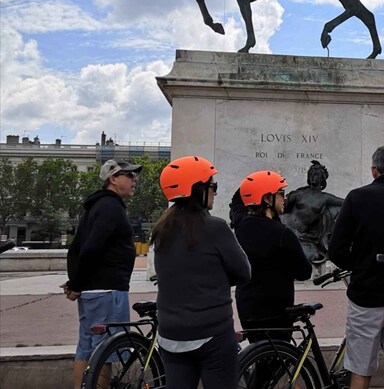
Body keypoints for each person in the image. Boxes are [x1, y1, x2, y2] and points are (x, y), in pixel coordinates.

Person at [151, 156, 251, 389]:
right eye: (212, 186)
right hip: (211, 333)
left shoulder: (161, 229)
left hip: (170, 335)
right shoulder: (215, 226)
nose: (215, 192)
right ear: (198, 189)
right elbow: (244, 272)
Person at [328, 145, 384, 389]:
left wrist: (358, 267)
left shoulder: (357, 197)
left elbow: (335, 248)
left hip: (366, 296)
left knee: (360, 370)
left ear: (373, 170)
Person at [64, 159, 142, 389]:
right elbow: (91, 248)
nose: (134, 180)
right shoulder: (110, 207)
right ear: (113, 179)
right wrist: (76, 283)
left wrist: (76, 282)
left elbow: (76, 248)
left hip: (93, 290)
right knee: (106, 351)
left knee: (85, 349)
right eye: (129, 176)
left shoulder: (95, 207)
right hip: (108, 290)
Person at [230, 170, 312, 342]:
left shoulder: (241, 225)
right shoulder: (283, 234)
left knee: (259, 355)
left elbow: (237, 201)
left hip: (247, 307)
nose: (284, 198)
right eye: (280, 193)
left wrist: (255, 183)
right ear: (267, 199)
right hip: (275, 309)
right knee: (277, 361)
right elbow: (304, 272)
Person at [283, 160, 344, 265]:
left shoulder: (325, 198)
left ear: (322, 178)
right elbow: (282, 205)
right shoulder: (300, 193)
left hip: (303, 236)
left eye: (316, 174)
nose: (312, 177)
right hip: (285, 225)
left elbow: (347, 202)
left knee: (312, 256)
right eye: (310, 174)